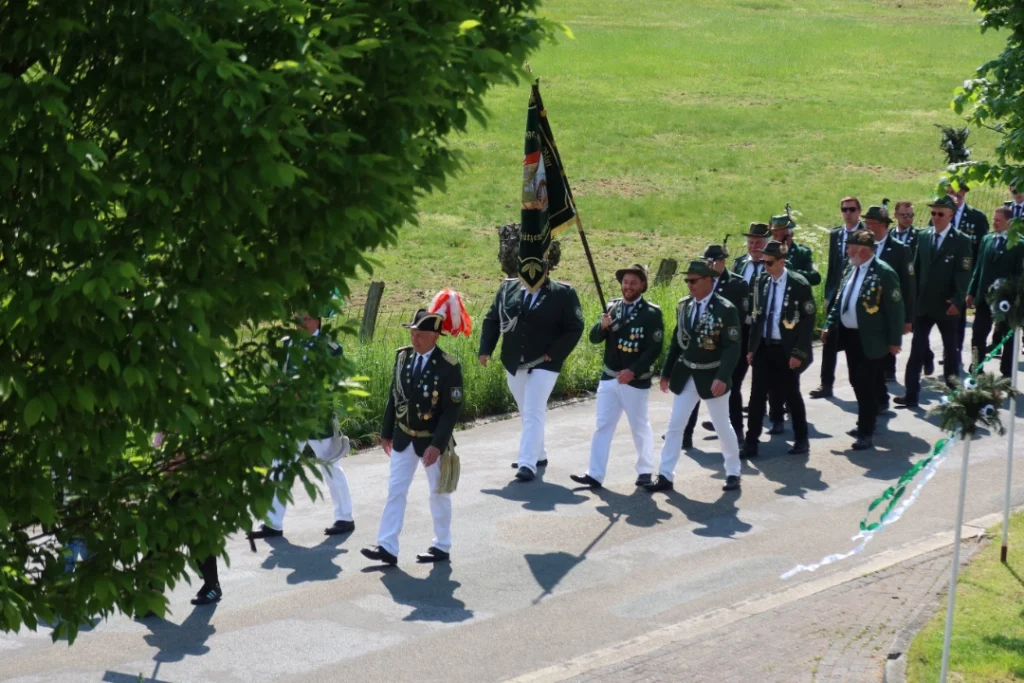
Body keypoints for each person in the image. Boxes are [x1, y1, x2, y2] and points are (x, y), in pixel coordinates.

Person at [361, 308, 464, 566]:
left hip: (431, 441)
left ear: (435, 337)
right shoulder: (403, 357)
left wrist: (437, 445)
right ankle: (387, 547)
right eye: (413, 333)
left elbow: (451, 412)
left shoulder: (448, 366)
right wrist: (386, 432)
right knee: (395, 491)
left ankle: (441, 545)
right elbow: (394, 396)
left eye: (420, 335)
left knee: (438, 493)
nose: (415, 339)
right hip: (404, 437)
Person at [249, 313, 354, 540]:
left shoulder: (330, 347)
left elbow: (333, 382)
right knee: (280, 465)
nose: (299, 323)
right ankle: (273, 522)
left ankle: (345, 517)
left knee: (329, 464)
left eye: (305, 319)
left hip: (317, 417)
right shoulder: (288, 344)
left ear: (317, 321)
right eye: (297, 318)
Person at [479, 259, 584, 482]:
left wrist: (555, 352)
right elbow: (492, 319)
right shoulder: (507, 289)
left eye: (537, 268)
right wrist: (486, 349)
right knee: (525, 410)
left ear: (546, 269)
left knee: (534, 409)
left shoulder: (563, 293)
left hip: (545, 361)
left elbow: (575, 327)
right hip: (514, 359)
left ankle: (527, 462)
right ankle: (539, 454)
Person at [644, 261, 743, 493]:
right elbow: (676, 342)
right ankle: (665, 475)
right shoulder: (684, 306)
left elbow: (732, 347)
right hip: (687, 373)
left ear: (709, 280)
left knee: (722, 426)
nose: (689, 285)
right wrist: (666, 372)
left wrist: (723, 377)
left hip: (712, 375)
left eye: (693, 281)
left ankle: (733, 472)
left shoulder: (725, 309)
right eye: (687, 280)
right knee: (675, 425)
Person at [571, 264, 663, 489]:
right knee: (602, 425)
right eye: (625, 282)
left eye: (633, 283)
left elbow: (654, 349)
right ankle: (595, 474)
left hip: (634, 380)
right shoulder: (612, 308)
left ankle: (645, 471)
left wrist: (633, 371)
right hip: (610, 377)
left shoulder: (651, 313)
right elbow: (594, 338)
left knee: (639, 426)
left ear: (642, 285)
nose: (628, 287)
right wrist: (601, 326)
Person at [822, 230, 904, 450]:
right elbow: (840, 301)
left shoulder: (884, 273)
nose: (847, 251)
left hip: (873, 338)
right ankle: (865, 422)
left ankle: (866, 431)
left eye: (850, 247)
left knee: (865, 383)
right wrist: (829, 324)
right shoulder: (851, 269)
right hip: (850, 336)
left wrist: (894, 340)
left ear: (863, 251)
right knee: (855, 380)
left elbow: (895, 309)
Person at [896, 196, 973, 408]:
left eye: (940, 214)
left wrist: (957, 300)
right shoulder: (923, 236)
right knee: (917, 349)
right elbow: (916, 269)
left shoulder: (961, 240)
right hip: (924, 304)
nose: (936, 217)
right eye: (933, 213)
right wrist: (911, 300)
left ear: (950, 215)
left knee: (950, 351)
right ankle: (911, 394)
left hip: (947, 306)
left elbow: (964, 273)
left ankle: (954, 394)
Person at [741, 241, 815, 458]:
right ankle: (751, 442)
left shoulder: (798, 284)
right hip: (764, 346)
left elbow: (807, 321)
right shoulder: (761, 281)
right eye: (764, 262)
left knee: (791, 394)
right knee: (756, 397)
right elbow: (757, 318)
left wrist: (798, 352)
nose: (765, 266)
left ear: (782, 261)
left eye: (770, 263)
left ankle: (801, 438)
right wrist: (752, 348)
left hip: (786, 348)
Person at [684, 243, 748, 448]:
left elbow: (740, 319)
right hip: (703, 347)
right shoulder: (701, 281)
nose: (708, 265)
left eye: (712, 261)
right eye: (706, 261)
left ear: (723, 261)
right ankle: (685, 433)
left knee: (731, 389)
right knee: (693, 388)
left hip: (727, 347)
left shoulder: (737, 284)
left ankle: (737, 432)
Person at [811, 196, 865, 399]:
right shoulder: (836, 234)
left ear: (859, 211)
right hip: (837, 293)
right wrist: (828, 294)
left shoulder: (866, 233)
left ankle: (864, 384)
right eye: (844, 210)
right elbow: (833, 267)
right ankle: (826, 383)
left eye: (852, 209)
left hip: (855, 293)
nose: (848, 214)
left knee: (856, 342)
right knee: (829, 339)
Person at [862, 202, 915, 400]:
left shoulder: (900, 250)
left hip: (889, 309)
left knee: (885, 348)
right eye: (866, 223)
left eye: (871, 223)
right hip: (867, 309)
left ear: (883, 225)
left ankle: (884, 384)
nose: (867, 227)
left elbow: (909, 286)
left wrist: (908, 318)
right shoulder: (863, 247)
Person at [967, 206, 1021, 377]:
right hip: (985, 297)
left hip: (1007, 301)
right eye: (994, 219)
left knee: (1008, 337)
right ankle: (976, 367)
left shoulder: (1019, 244)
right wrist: (971, 291)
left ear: (1009, 223)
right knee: (978, 333)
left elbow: (1020, 274)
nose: (994, 223)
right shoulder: (987, 239)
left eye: (998, 220)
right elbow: (978, 268)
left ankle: (1007, 372)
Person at [946, 183, 989, 352]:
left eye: (956, 191)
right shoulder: (941, 213)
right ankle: (949, 349)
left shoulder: (977, 217)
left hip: (965, 274)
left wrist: (975, 280)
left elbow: (982, 251)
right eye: (949, 192)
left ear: (963, 192)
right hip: (943, 274)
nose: (953, 195)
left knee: (959, 314)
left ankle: (954, 351)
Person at [769, 205, 821, 286]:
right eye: (775, 235)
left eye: (783, 236)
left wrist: (792, 272)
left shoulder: (802, 253)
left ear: (791, 235)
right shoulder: (768, 253)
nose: (778, 239)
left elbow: (815, 277)